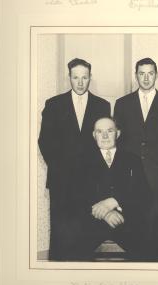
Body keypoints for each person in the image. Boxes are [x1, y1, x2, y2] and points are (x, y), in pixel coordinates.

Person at [38, 58, 110, 260]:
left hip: (91, 182)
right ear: (69, 77)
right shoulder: (53, 104)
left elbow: (105, 143)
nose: (80, 82)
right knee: (61, 234)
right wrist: (61, 169)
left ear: (90, 78)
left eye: (84, 77)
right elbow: (45, 141)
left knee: (86, 234)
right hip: (62, 180)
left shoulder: (102, 105)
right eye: (76, 77)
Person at [73, 117, 153, 261]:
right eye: (99, 131)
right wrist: (105, 214)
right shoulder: (81, 160)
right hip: (93, 220)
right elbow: (76, 196)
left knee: (145, 250)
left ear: (118, 133)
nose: (104, 136)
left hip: (126, 219)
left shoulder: (132, 159)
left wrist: (115, 201)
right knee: (76, 252)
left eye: (109, 131)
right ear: (94, 135)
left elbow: (144, 194)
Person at [114, 57, 158, 197]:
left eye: (150, 73)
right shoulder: (122, 104)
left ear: (156, 75)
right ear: (135, 75)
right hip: (129, 175)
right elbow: (118, 143)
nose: (146, 78)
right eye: (141, 73)